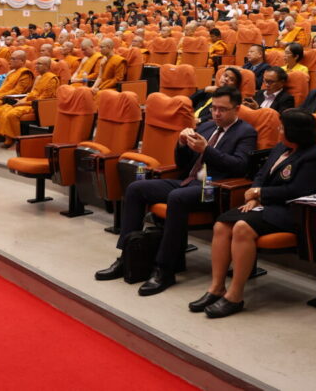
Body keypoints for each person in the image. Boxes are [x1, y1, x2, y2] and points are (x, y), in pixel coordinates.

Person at [94, 87, 257, 296]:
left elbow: (239, 167)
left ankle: (165, 269)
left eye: (223, 110)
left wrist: (206, 150)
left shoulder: (246, 132)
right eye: (214, 108)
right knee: (136, 188)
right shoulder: (206, 127)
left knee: (176, 198)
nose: (216, 113)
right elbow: (183, 164)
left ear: (237, 109)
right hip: (187, 181)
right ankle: (127, 257)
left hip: (214, 188)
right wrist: (181, 146)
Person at [191, 109, 316, 318]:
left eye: (283, 127)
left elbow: (299, 191)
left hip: (291, 211)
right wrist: (254, 196)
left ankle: (235, 296)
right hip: (266, 204)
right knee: (221, 225)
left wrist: (261, 194)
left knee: (242, 227)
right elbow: (260, 174)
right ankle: (216, 287)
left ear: (295, 132)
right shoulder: (281, 147)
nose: (279, 130)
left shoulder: (313, 156)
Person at [0, 56, 61, 147]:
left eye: (39, 64)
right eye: (36, 63)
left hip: (38, 106)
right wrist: (20, 101)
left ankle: (16, 141)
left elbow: (43, 99)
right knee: (0, 110)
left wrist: (23, 103)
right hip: (28, 102)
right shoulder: (39, 78)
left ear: (47, 66)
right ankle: (6, 137)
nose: (36, 66)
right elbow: (31, 94)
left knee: (12, 114)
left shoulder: (52, 79)